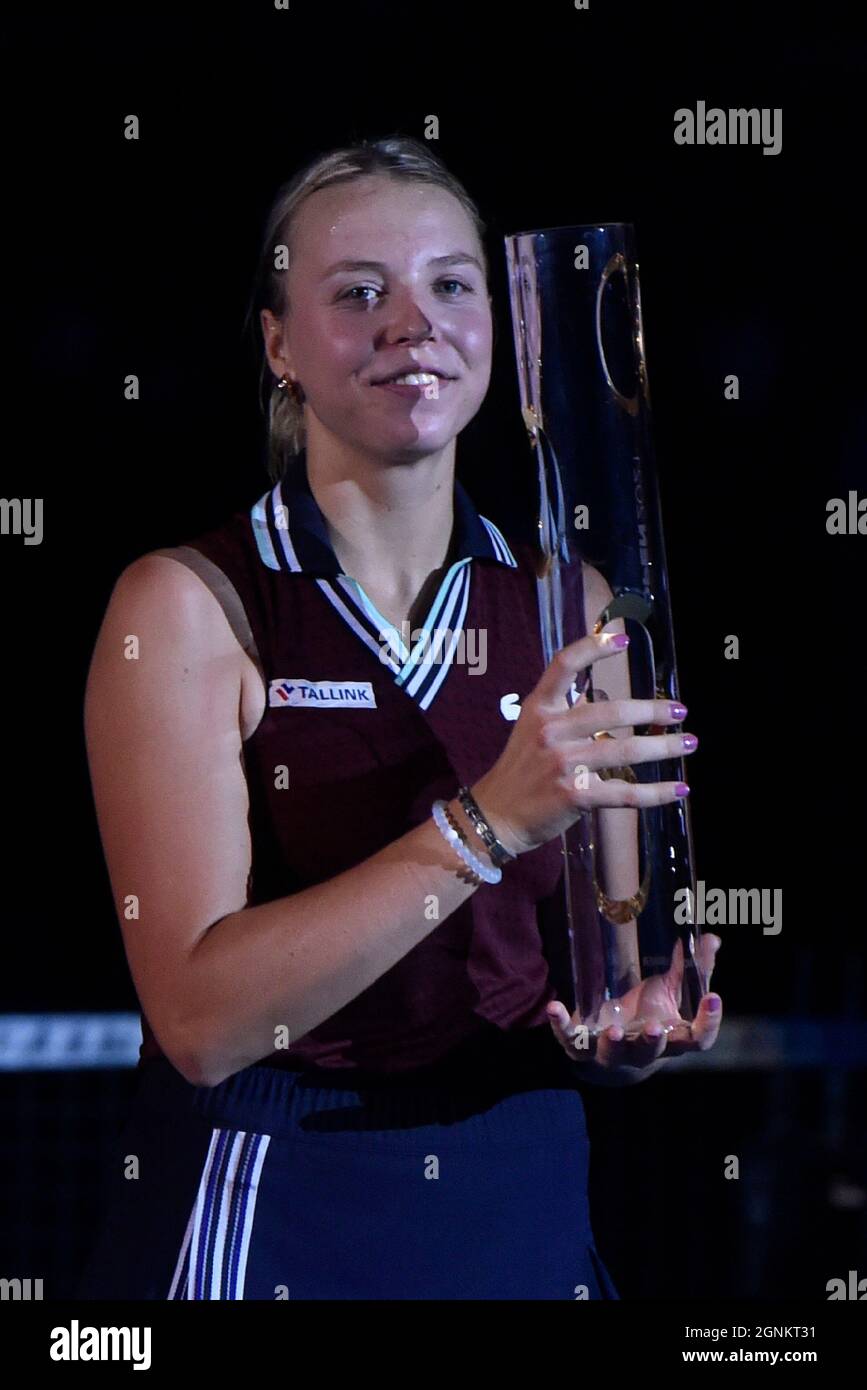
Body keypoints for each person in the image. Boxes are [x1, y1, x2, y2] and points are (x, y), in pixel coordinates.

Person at [76, 134, 722, 1301]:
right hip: (278, 1194)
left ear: (500, 329)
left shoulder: (570, 606)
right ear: (280, 344)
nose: (412, 325)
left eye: (450, 285)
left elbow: (603, 981)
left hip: (520, 1184)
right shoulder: (188, 607)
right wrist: (485, 824)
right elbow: (201, 1023)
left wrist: (631, 1027)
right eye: (360, 292)